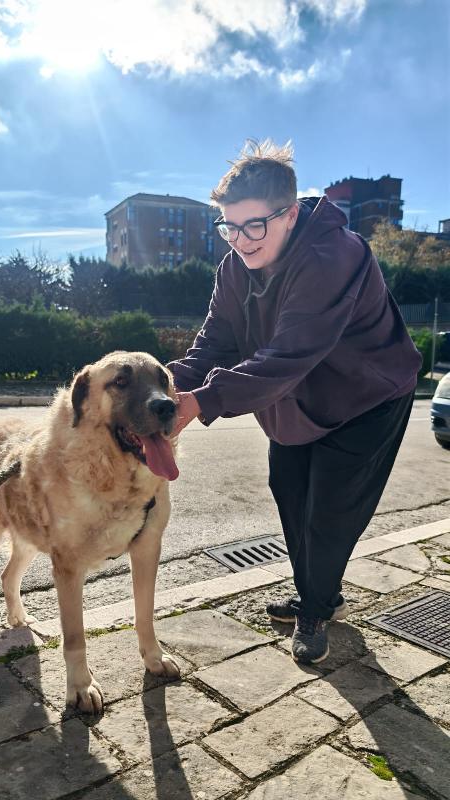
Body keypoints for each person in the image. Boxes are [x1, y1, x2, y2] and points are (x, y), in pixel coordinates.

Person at [168, 139, 422, 664]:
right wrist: (160, 388)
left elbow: (290, 353)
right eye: (229, 227)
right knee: (289, 493)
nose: (239, 240)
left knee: (328, 513)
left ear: (289, 213)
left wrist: (203, 402)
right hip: (292, 398)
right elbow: (214, 341)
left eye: (253, 225)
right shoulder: (235, 268)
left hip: (366, 397)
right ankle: (318, 592)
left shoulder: (334, 254)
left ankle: (315, 608)